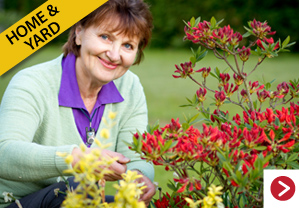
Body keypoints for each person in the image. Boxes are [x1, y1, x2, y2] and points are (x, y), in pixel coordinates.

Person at [0, 0, 155, 207]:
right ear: (79, 33)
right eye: (105, 37)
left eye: (128, 45)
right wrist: (76, 159)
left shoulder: (130, 87)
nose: (114, 55)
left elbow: (135, 156)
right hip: (16, 202)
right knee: (76, 188)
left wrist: (139, 176)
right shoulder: (32, 82)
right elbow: (4, 153)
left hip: (81, 201)